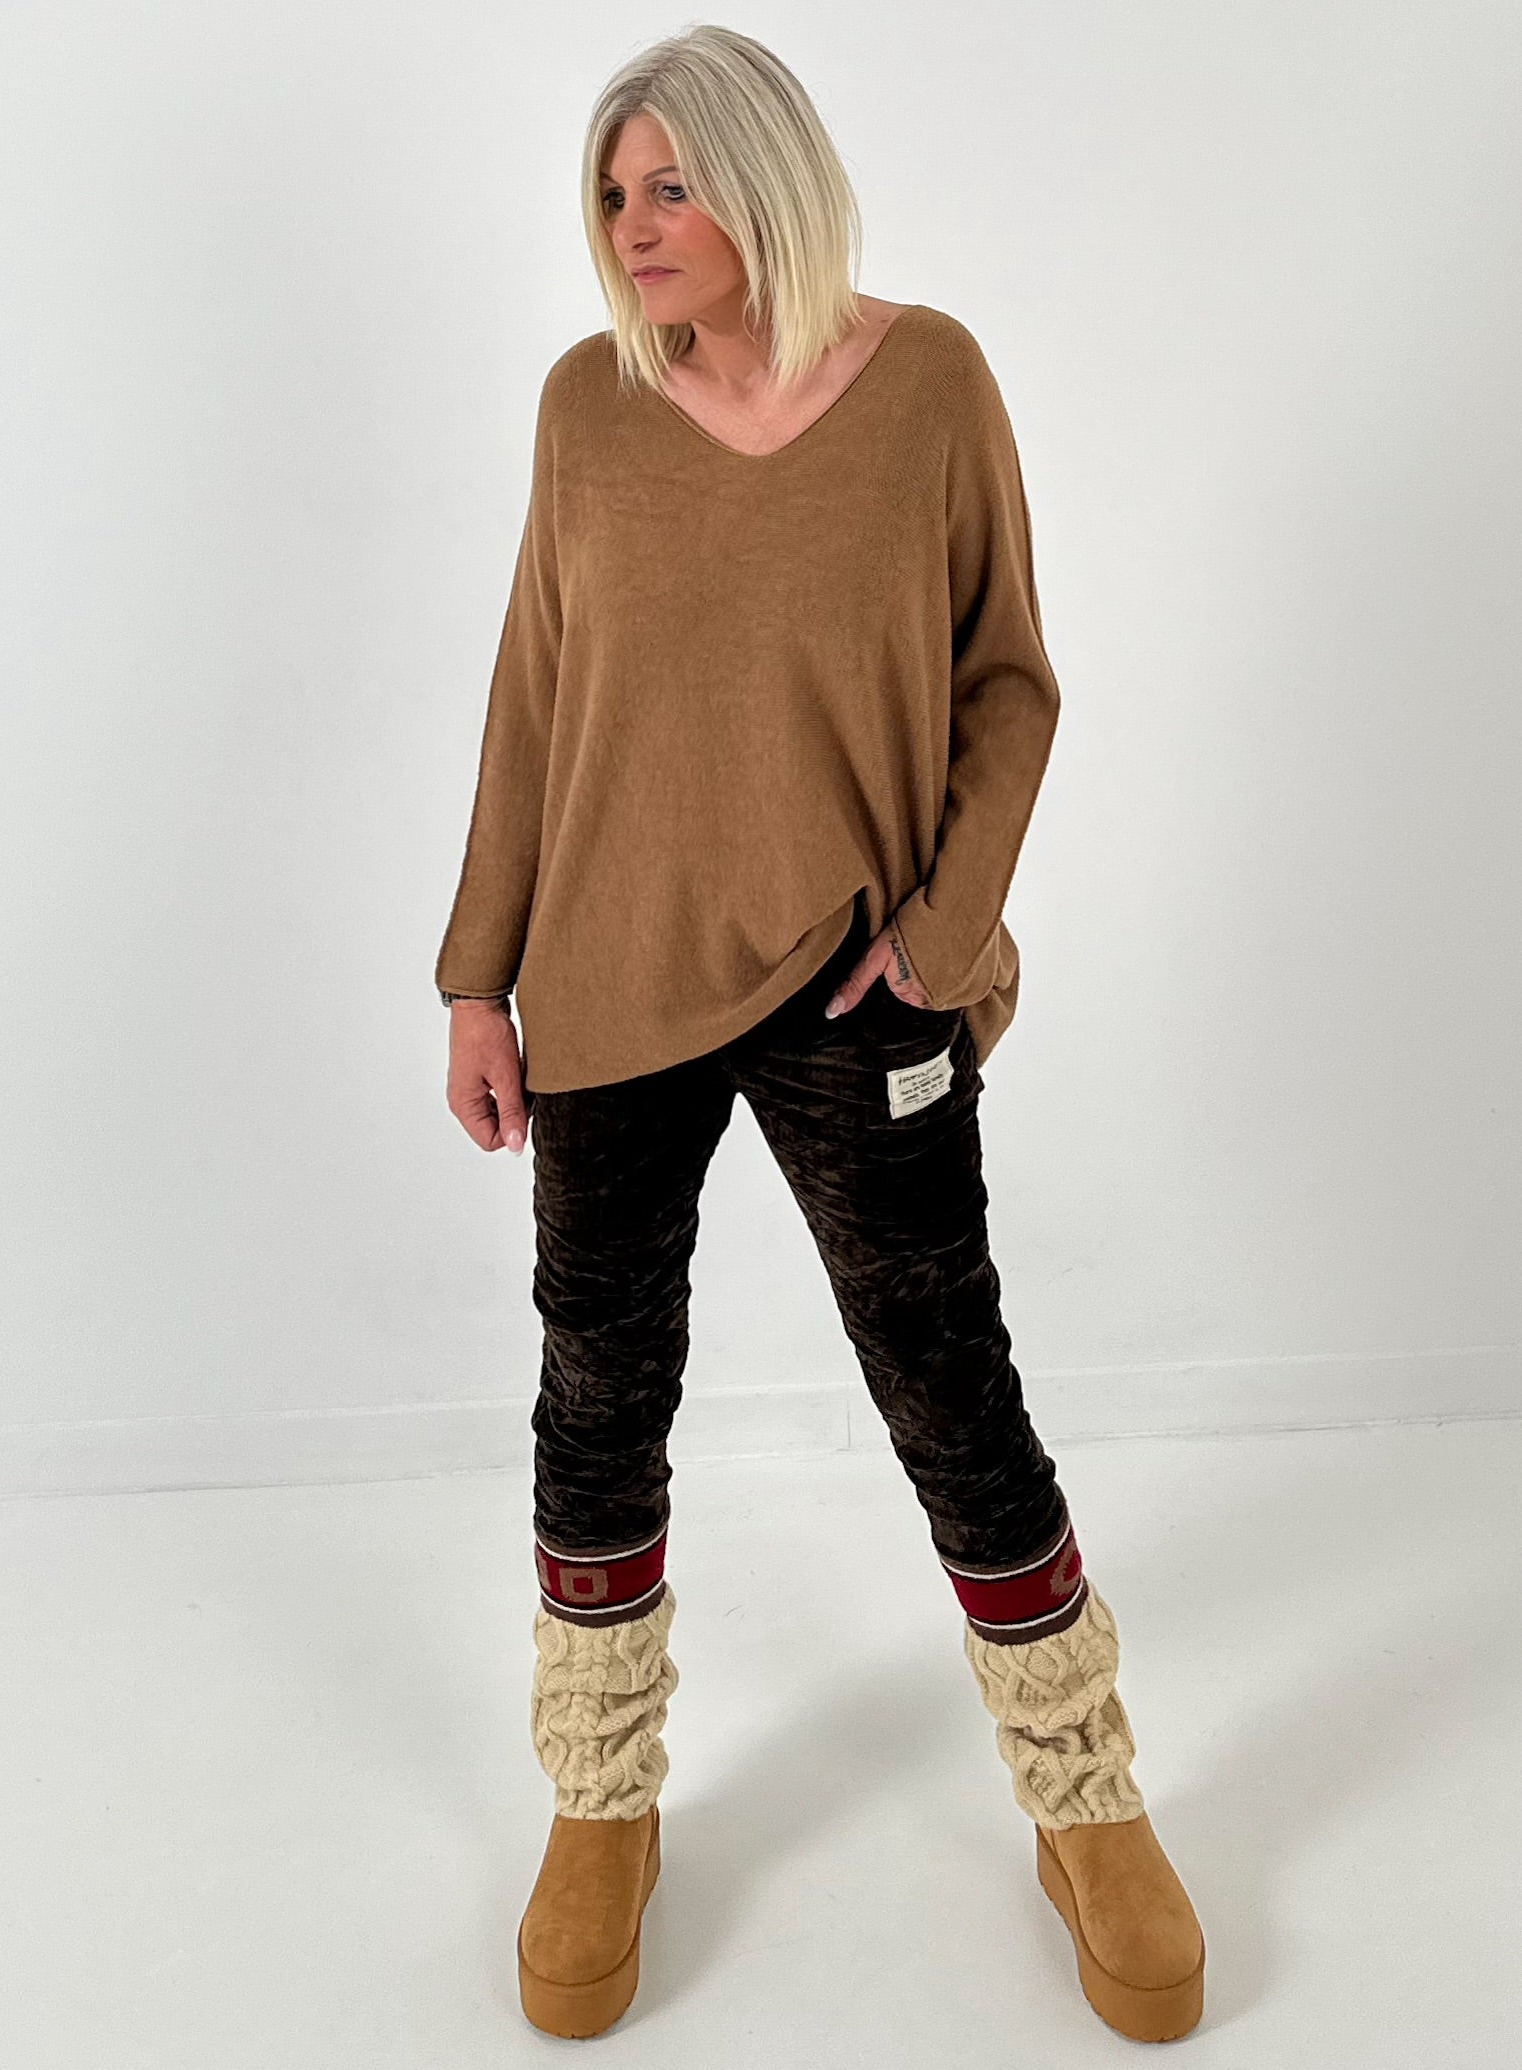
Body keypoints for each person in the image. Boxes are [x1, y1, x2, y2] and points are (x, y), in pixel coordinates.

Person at [435, 24, 1204, 2047]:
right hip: (608, 980)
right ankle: (600, 1797)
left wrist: (945, 934)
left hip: (863, 980)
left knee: (950, 1385)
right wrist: (476, 977)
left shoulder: (930, 382)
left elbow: (1010, 684)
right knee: (598, 1394)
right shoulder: (588, 408)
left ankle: (1085, 1793)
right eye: (613, 194)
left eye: (671, 184)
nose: (634, 225)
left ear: (765, 176)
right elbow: (531, 699)